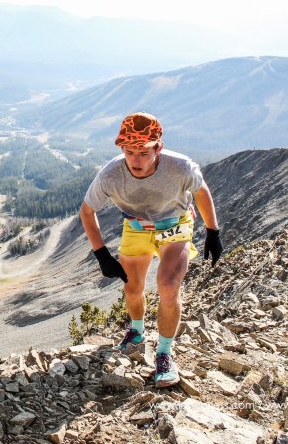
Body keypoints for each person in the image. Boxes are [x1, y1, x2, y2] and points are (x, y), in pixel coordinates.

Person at [79, 112, 223, 388]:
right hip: (136, 227)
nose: (135, 160)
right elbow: (87, 211)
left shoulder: (180, 166)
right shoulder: (110, 174)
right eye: (129, 152)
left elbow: (201, 191)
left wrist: (212, 231)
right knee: (132, 288)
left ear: (159, 148)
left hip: (175, 225)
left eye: (144, 153)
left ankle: (165, 353)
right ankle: (137, 331)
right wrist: (101, 255)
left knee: (168, 286)